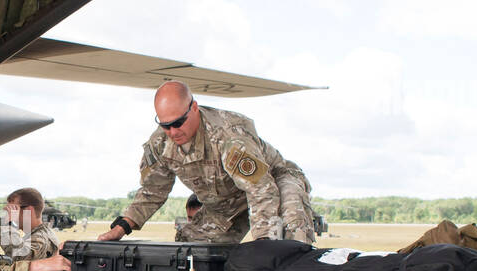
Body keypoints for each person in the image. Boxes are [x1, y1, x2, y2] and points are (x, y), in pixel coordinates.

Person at [99, 80, 315, 245]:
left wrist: (263, 244)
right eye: (165, 125)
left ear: (194, 108)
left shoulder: (228, 135)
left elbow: (261, 190)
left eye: (178, 123)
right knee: (189, 249)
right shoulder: (161, 143)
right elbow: (152, 191)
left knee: (286, 243)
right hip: (225, 204)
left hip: (274, 182)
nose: (173, 132)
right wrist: (122, 227)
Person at [0, 187, 60, 260]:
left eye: (13, 210)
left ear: (28, 211)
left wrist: (9, 225)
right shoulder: (36, 236)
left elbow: (19, 259)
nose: (8, 215)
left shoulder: (41, 239)